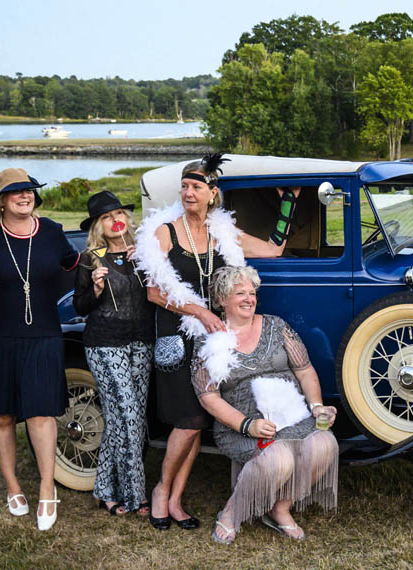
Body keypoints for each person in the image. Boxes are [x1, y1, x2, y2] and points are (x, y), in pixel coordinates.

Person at [133, 153, 301, 531]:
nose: (188, 193)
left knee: (200, 417)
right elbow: (155, 292)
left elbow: (272, 249)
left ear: (212, 193)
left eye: (196, 187)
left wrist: (289, 201)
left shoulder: (221, 233)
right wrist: (201, 313)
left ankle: (175, 500)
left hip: (213, 341)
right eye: (185, 187)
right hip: (178, 333)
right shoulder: (166, 231)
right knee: (188, 420)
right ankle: (161, 490)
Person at [191, 265, 338, 544]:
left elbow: (304, 370)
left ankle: (279, 509)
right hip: (243, 425)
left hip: (293, 418)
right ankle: (231, 513)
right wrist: (248, 425)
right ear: (221, 300)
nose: (249, 298)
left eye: (252, 292)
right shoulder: (209, 340)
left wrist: (317, 406)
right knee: (278, 458)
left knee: (324, 445)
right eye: (240, 293)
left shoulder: (276, 325)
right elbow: (207, 396)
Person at [0, 168, 79, 531]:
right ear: (0, 202)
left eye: (30, 191)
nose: (25, 197)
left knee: (41, 414)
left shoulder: (51, 231)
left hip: (44, 336)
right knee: (2, 415)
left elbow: (76, 264)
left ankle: (47, 487)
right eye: (15, 192)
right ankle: (12, 486)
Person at [73, 191, 155, 516]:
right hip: (105, 342)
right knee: (131, 418)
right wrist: (94, 288)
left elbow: (161, 291)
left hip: (142, 341)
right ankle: (137, 496)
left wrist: (149, 262)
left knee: (122, 419)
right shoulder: (91, 258)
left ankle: (103, 489)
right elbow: (80, 305)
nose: (114, 220)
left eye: (118, 213)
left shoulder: (144, 252)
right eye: (106, 217)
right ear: (98, 225)